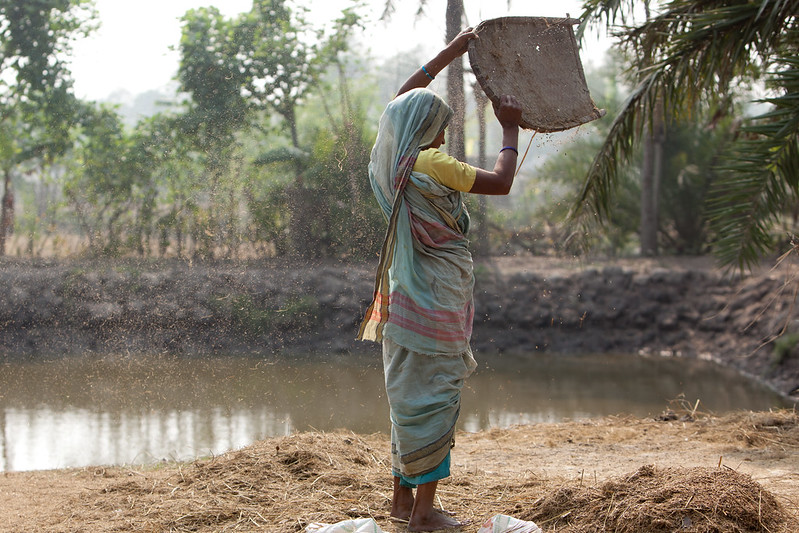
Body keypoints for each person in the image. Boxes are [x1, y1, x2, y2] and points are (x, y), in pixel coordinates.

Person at [358, 27, 523, 532]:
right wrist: (510, 130)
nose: (443, 135)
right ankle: (424, 515)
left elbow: (399, 102)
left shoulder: (391, 162)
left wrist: (451, 54)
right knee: (436, 395)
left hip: (402, 299)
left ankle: (401, 504)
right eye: (439, 127)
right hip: (437, 297)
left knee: (407, 396)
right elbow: (500, 182)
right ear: (426, 128)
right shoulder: (431, 162)